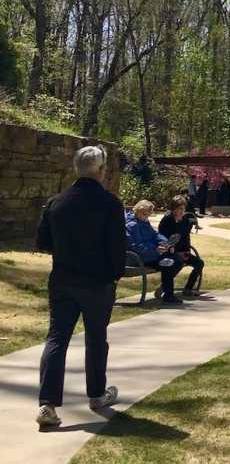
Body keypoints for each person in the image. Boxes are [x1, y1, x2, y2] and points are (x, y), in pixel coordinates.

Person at [35, 145, 125, 429]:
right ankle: (97, 395)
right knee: (96, 338)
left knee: (57, 338)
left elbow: (43, 243)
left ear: (77, 169)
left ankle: (47, 405)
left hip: (63, 280)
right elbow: (117, 248)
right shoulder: (110, 204)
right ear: (101, 170)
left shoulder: (56, 202)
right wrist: (114, 275)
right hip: (97, 283)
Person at [125, 200, 182, 305]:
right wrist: (155, 250)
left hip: (153, 255)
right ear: (138, 210)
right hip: (140, 258)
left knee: (177, 260)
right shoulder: (132, 225)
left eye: (148, 215)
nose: (146, 217)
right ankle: (168, 295)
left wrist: (165, 243)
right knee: (170, 263)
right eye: (144, 214)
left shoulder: (144, 222)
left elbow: (155, 234)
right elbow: (136, 247)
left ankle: (165, 290)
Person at [158, 195, 204, 298]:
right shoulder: (167, 220)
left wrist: (186, 251)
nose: (182, 211)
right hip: (169, 252)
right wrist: (177, 253)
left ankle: (188, 288)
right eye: (180, 209)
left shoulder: (183, 220)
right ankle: (165, 286)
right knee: (177, 262)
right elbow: (165, 240)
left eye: (183, 209)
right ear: (173, 208)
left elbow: (185, 238)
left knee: (199, 263)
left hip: (182, 252)